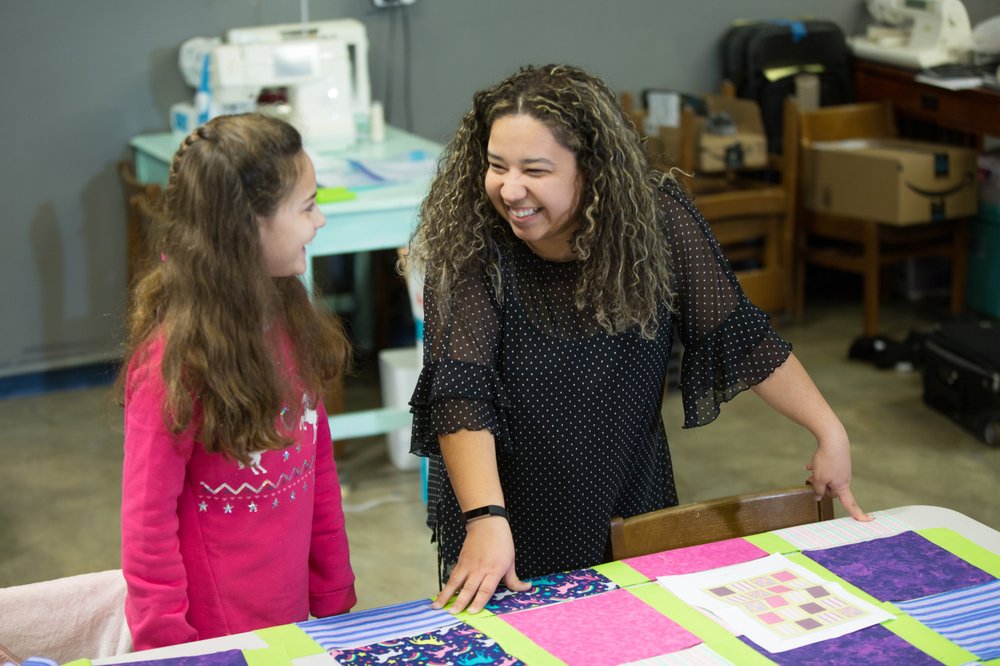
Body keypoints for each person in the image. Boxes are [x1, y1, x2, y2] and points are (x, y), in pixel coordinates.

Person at [406, 64, 870, 615]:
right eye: (496, 165)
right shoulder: (474, 246)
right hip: (505, 511)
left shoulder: (656, 221)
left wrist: (829, 430)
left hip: (631, 492)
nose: (509, 189)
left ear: (595, 172)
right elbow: (462, 395)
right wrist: (484, 518)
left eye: (535, 169)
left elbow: (738, 333)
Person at [115, 113, 356, 650]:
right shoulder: (174, 366)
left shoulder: (290, 323)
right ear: (248, 225)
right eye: (308, 205)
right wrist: (171, 650)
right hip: (210, 645)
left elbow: (318, 471)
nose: (319, 221)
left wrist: (336, 598)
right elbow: (147, 529)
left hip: (291, 630)